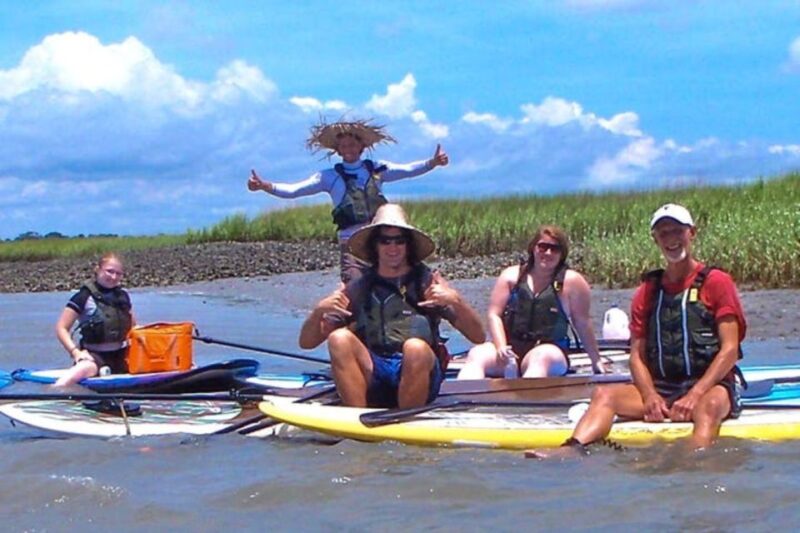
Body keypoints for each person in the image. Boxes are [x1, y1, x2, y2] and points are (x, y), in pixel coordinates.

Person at [531, 204, 747, 457]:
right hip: (663, 385)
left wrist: (694, 395)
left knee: (708, 407)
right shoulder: (648, 290)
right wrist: (649, 395)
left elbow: (730, 349)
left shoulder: (717, 282)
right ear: (655, 239)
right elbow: (636, 355)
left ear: (692, 233)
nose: (671, 239)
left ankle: (692, 460)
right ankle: (572, 449)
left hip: (712, 386)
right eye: (663, 233)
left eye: (677, 231)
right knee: (604, 394)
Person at [299, 204, 485, 408]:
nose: (392, 248)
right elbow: (307, 343)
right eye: (385, 241)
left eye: (399, 241)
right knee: (338, 338)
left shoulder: (426, 283)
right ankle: (356, 421)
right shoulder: (359, 288)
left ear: (408, 245)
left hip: (418, 374)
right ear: (375, 245)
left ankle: (407, 420)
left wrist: (455, 300)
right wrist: (319, 311)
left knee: (415, 348)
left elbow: (478, 337)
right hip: (374, 371)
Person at [248, 118, 449, 283]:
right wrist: (265, 186)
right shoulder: (328, 177)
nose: (349, 148)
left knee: (395, 283)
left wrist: (432, 163)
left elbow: (407, 170)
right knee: (354, 288)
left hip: (378, 239)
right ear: (338, 150)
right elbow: (293, 191)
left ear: (362, 146)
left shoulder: (376, 168)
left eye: (353, 144)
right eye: (344, 145)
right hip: (350, 243)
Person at [457, 225, 609, 379]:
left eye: (555, 249)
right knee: (477, 354)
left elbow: (582, 322)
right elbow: (494, 314)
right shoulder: (511, 277)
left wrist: (596, 361)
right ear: (533, 248)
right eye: (543, 247)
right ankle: (465, 397)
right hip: (510, 349)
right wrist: (501, 346)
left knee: (540, 359)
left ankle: (528, 397)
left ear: (562, 254)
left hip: (549, 350)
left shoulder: (573, 282)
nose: (548, 253)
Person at [54, 253, 136, 387]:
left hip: (123, 356)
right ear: (98, 269)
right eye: (109, 271)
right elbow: (61, 328)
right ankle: (53, 394)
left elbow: (134, 327)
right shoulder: (83, 297)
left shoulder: (123, 296)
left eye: (118, 273)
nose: (113, 277)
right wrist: (76, 353)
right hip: (95, 357)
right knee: (71, 378)